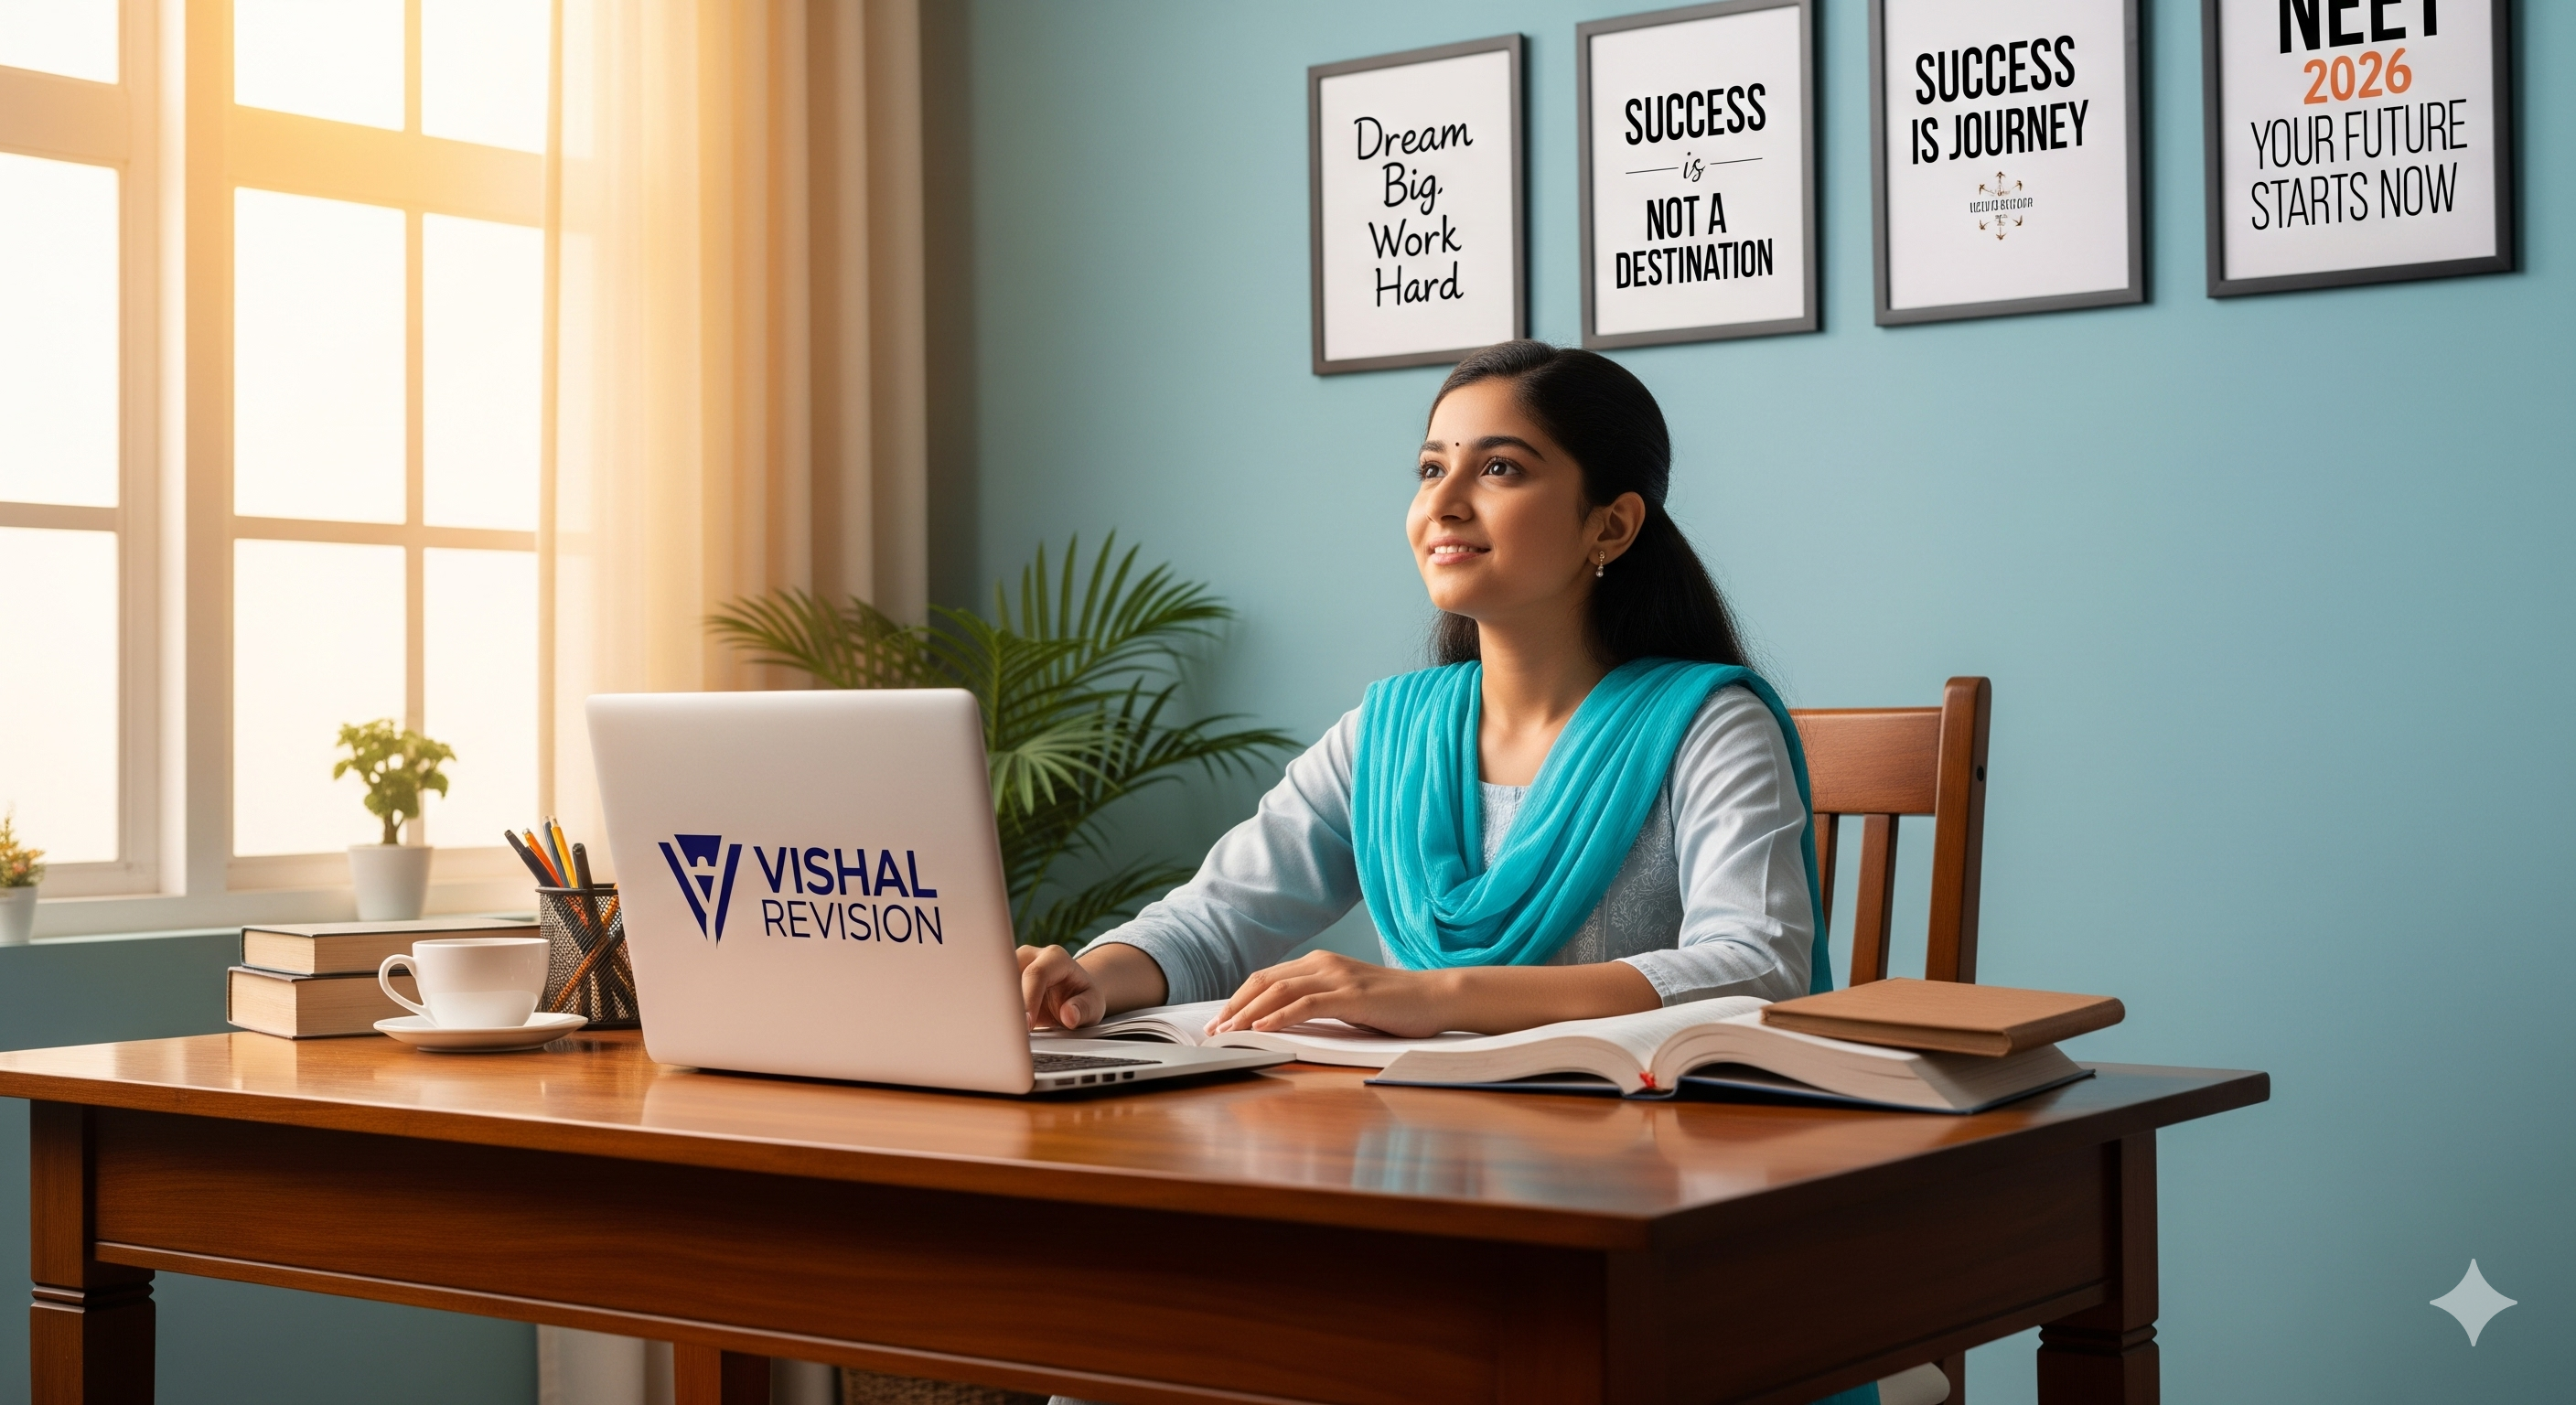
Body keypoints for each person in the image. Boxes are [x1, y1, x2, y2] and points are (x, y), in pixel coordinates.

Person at [1019, 344, 1873, 1405]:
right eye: (1431, 469)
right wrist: (1099, 975)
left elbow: (1757, 963)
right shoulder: (1387, 734)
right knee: (1125, 1356)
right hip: (1417, 1202)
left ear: (1610, 525)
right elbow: (1217, 918)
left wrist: (1432, 998)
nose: (1447, 502)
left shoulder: (1706, 722)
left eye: (1501, 470)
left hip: (1647, 1232)